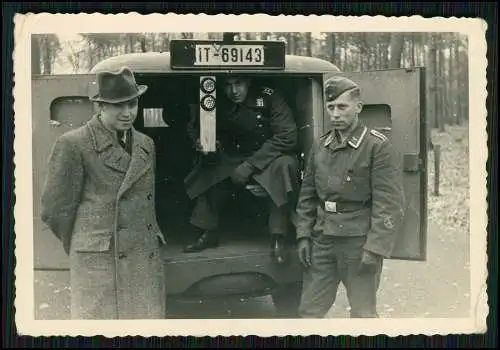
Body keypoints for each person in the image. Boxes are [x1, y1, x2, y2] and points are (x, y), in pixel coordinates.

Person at [40, 66, 167, 320]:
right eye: (118, 105)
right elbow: (55, 211)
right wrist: (87, 245)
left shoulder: (145, 144)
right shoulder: (74, 144)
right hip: (100, 268)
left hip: (143, 260)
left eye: (132, 104)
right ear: (101, 107)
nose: (127, 112)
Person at [295, 76, 405, 318]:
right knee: (308, 312)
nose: (335, 114)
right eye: (331, 107)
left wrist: (375, 248)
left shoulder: (376, 146)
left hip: (358, 243)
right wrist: (303, 235)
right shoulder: (320, 146)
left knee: (363, 314)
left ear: (358, 107)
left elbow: (389, 204)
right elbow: (307, 195)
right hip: (323, 240)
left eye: (342, 107)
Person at [183, 76, 300, 264]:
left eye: (239, 83)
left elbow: (287, 136)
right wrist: (208, 144)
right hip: (234, 157)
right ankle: (208, 231)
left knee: (285, 166)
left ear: (249, 82)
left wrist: (250, 166)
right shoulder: (215, 101)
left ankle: (279, 236)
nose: (234, 91)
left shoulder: (270, 97)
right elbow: (199, 130)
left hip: (269, 157)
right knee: (208, 167)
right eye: (228, 85)